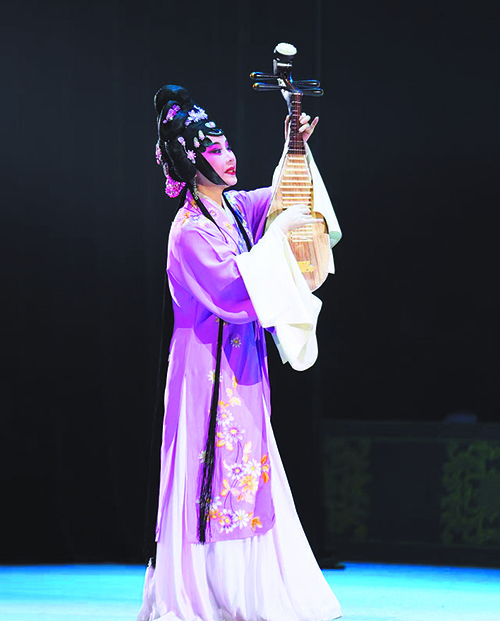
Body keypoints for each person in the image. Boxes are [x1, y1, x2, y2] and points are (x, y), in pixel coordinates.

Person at [138, 84, 342, 621]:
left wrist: (294, 148)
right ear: (191, 162)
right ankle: (208, 591)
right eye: (216, 149)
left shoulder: (231, 208)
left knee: (248, 468)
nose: (229, 156)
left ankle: (252, 589)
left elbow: (282, 199)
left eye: (228, 145)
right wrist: (275, 244)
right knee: (212, 468)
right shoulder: (187, 233)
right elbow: (234, 291)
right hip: (205, 375)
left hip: (241, 368)